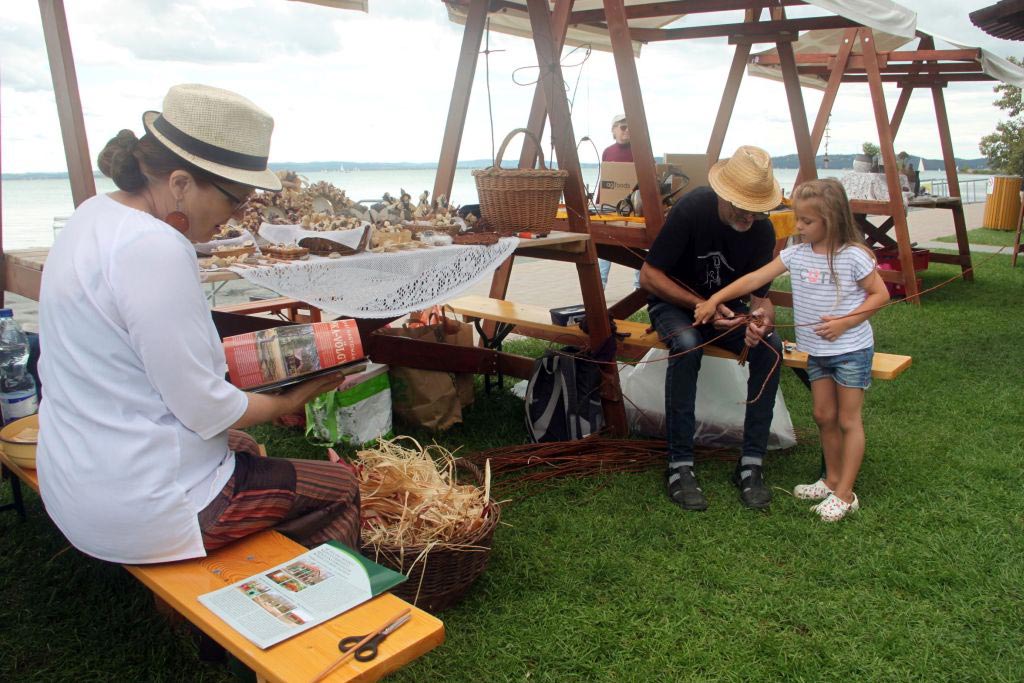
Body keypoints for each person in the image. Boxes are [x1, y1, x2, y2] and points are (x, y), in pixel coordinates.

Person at [36, 84, 361, 564]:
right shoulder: (155, 247)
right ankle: (298, 619)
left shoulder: (92, 214)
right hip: (141, 508)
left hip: (73, 475)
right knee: (339, 487)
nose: (237, 217)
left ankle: (255, 577)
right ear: (182, 183)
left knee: (246, 446)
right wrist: (289, 400)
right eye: (236, 199)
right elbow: (204, 409)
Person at [694, 178, 889, 521]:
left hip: (851, 351)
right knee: (823, 416)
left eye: (806, 221)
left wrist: (844, 322)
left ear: (831, 219)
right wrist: (716, 298)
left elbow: (880, 295)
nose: (798, 226)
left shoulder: (853, 256)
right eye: (798, 218)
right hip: (817, 351)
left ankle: (845, 493)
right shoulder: (796, 254)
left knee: (847, 419)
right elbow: (754, 279)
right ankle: (829, 480)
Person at [639, 146, 783, 511]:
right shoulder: (693, 209)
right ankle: (679, 465)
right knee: (688, 343)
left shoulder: (762, 231)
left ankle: (751, 463)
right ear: (723, 194)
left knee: (771, 348)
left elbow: (761, 298)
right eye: (740, 206)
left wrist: (762, 322)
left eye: (756, 209)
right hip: (674, 305)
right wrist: (701, 305)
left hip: (728, 312)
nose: (748, 216)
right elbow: (650, 276)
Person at [598, 114, 635, 288]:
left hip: (634, 209)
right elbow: (604, 181)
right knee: (604, 248)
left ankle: (640, 289)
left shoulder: (639, 150)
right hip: (609, 209)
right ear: (613, 130)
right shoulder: (607, 151)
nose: (626, 130)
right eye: (622, 127)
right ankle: (599, 288)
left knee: (644, 251)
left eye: (629, 126)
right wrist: (598, 204)